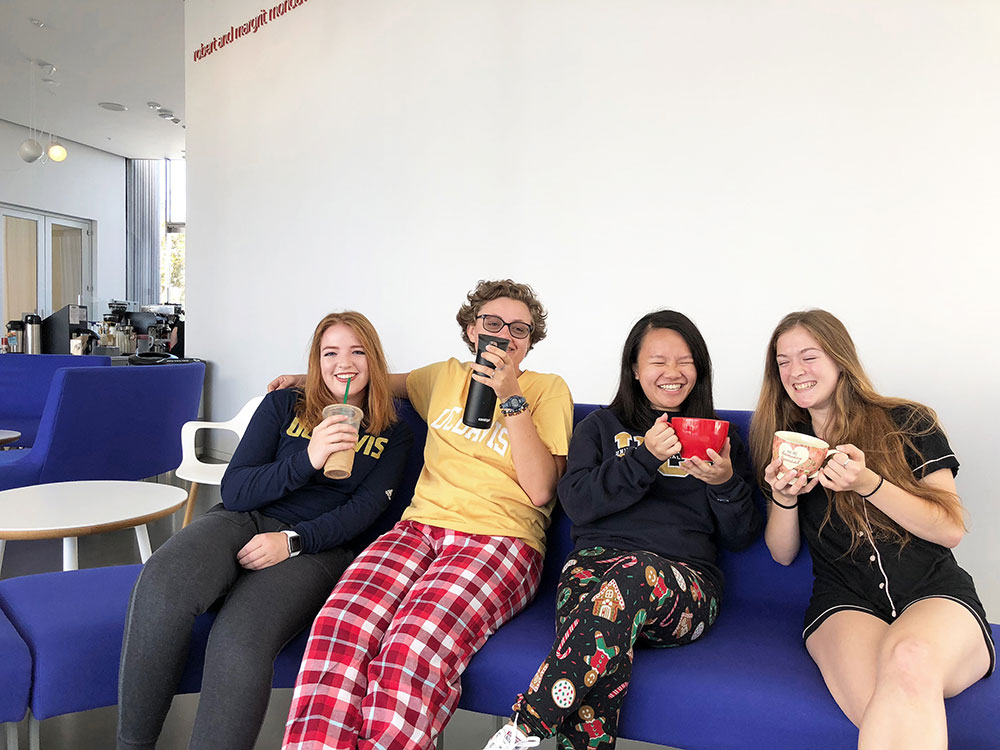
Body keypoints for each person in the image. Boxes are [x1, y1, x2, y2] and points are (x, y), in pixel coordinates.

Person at [273, 279, 573, 750]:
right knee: (339, 625)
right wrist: (303, 378)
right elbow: (375, 377)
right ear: (472, 330)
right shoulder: (441, 377)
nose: (505, 335)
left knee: (411, 646)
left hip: (501, 539)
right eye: (492, 323)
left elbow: (540, 491)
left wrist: (511, 396)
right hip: (417, 528)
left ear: (530, 341)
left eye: (520, 329)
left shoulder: (548, 390)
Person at [116, 311, 412, 750]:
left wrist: (293, 541)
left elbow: (361, 515)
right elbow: (236, 490)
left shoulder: (393, 431)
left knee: (240, 638)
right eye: (330, 352)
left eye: (357, 351)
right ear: (317, 360)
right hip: (243, 519)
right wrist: (309, 457)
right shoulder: (282, 405)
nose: (343, 363)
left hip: (316, 547)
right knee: (162, 584)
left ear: (374, 359)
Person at [482, 309, 762, 750]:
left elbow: (742, 536)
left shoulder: (722, 440)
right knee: (603, 654)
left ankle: (527, 725)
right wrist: (643, 458)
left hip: (684, 589)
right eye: (658, 361)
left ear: (700, 369)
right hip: (591, 578)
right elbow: (577, 504)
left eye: (685, 361)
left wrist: (724, 483)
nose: (673, 372)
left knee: (631, 578)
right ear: (634, 368)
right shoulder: (599, 427)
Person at [749, 309, 994, 750]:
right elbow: (782, 554)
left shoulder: (908, 421)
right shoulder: (785, 443)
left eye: (809, 356)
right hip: (843, 602)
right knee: (885, 704)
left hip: (933, 592)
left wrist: (870, 485)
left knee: (910, 659)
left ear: (840, 358)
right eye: (783, 361)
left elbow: (951, 529)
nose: (795, 371)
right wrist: (784, 497)